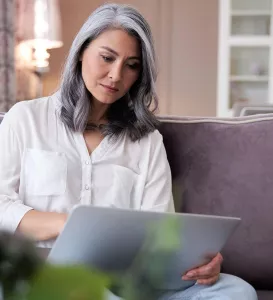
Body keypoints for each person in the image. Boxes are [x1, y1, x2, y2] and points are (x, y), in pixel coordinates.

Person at [0, 3, 257, 300]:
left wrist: (198, 265)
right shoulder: (25, 119)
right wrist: (69, 224)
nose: (116, 74)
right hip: (46, 275)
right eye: (107, 58)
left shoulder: (147, 142)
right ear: (82, 51)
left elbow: (162, 232)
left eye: (131, 65)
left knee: (236, 290)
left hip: (124, 280)